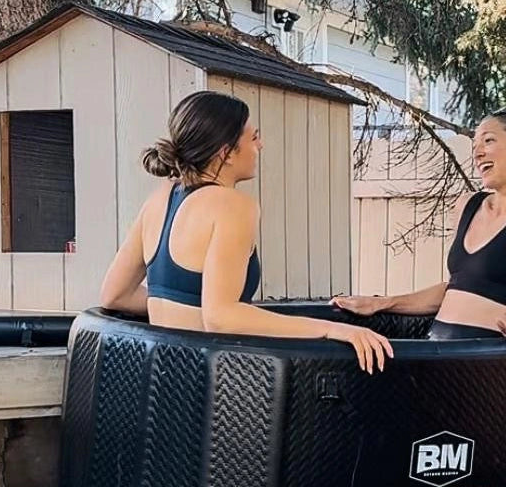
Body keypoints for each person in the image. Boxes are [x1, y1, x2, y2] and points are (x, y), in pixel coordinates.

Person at [100, 90, 393, 374]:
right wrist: (332, 329)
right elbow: (222, 317)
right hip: (208, 386)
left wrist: (177, 309)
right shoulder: (232, 205)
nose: (261, 145)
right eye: (254, 137)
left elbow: (115, 295)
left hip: (158, 382)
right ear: (225, 153)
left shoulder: (160, 197)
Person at [331, 108, 506, 362]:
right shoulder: (469, 205)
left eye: (488, 141)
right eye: (475, 147)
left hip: (484, 363)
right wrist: (382, 303)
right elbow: (458, 288)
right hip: (437, 354)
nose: (478, 153)